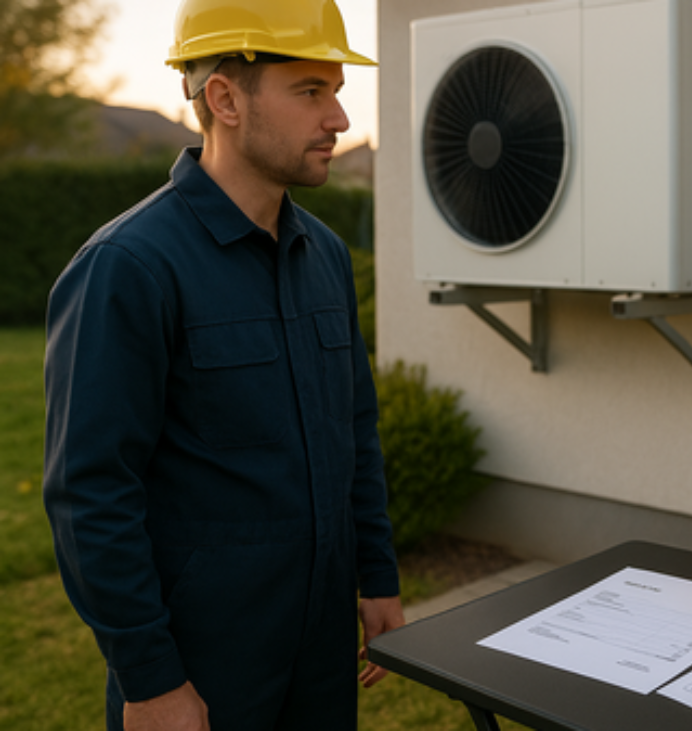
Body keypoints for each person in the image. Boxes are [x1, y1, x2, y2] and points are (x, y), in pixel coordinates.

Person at [43, 1, 403, 729]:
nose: (338, 118)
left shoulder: (326, 257)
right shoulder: (129, 266)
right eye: (312, 91)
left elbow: (353, 433)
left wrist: (377, 576)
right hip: (200, 672)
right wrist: (150, 679)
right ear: (225, 99)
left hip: (321, 660)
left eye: (337, 90)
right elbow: (91, 493)